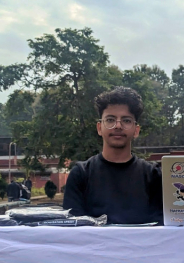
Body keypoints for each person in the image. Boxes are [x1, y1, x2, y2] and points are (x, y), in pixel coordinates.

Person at [63, 87, 163, 224]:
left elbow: (160, 229)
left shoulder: (153, 175)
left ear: (136, 130)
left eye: (126, 120)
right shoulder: (81, 174)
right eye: (110, 120)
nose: (118, 126)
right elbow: (73, 229)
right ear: (99, 127)